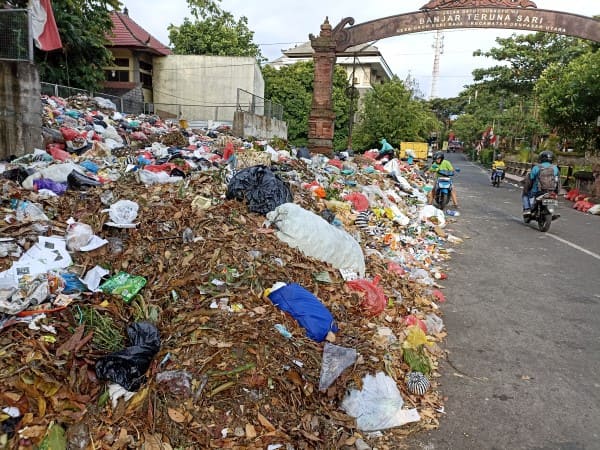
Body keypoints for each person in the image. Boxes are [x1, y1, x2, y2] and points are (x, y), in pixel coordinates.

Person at [522, 150, 560, 217]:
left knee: (525, 195)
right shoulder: (555, 168)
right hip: (551, 191)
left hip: (537, 191)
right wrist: (556, 191)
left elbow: (530, 179)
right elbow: (558, 181)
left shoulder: (536, 167)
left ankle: (527, 209)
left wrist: (526, 189)